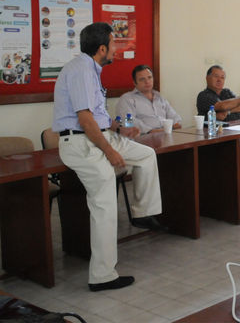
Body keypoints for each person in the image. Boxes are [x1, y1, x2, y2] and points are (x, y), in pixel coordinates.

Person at [52, 22, 166, 292]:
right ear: (102, 48)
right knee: (104, 203)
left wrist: (119, 129)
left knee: (146, 155)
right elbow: (85, 119)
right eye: (114, 43)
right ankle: (102, 276)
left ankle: (141, 213)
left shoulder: (92, 69)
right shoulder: (81, 70)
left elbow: (99, 117)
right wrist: (110, 150)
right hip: (80, 143)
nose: (117, 48)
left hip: (99, 136)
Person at [195, 65, 240, 196]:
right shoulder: (204, 95)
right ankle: (239, 185)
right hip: (216, 134)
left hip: (236, 128)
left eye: (222, 77)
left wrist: (229, 110)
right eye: (216, 76)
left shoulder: (227, 92)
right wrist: (239, 100)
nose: (219, 80)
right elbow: (222, 106)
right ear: (207, 78)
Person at [115, 64, 182, 134]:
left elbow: (174, 116)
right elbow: (128, 122)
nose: (147, 82)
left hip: (166, 134)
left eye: (149, 77)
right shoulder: (127, 99)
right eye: (142, 79)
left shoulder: (159, 97)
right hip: (143, 136)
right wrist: (150, 131)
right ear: (134, 83)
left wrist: (176, 124)